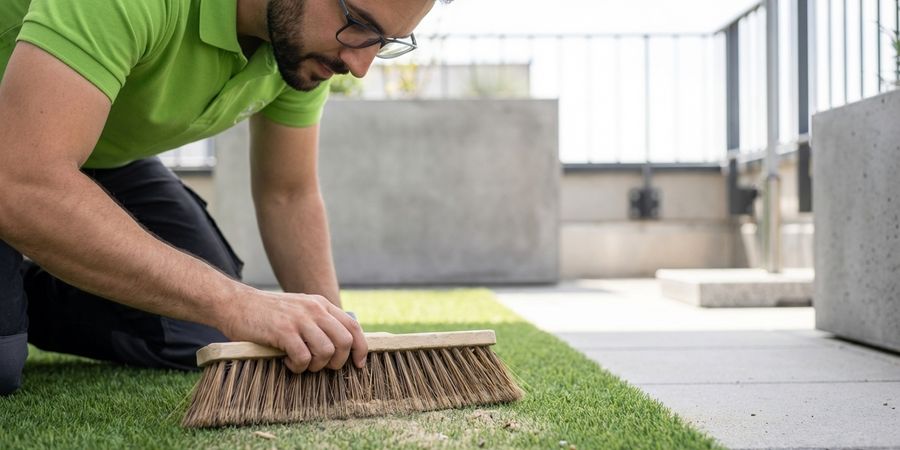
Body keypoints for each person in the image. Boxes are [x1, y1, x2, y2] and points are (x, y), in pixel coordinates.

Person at [0, 0, 442, 395]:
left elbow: (288, 194)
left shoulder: (302, 48)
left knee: (206, 330)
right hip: (17, 160)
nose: (360, 64)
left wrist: (332, 332)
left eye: (382, 42)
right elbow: (22, 181)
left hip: (96, 153)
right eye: (358, 23)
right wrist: (237, 302)